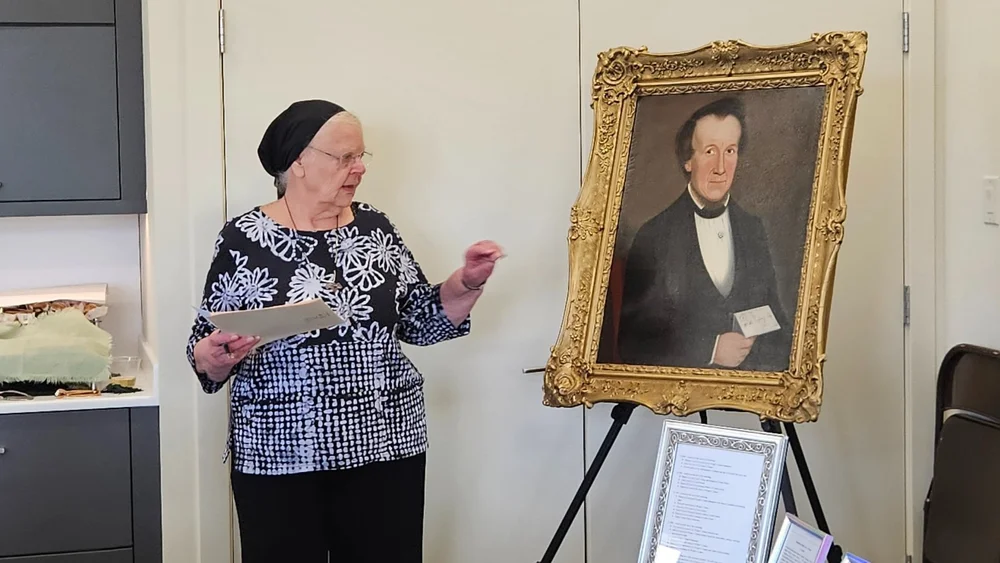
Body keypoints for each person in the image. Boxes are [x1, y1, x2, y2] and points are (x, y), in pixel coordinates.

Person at [185, 99, 503, 562]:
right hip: (279, 448)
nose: (359, 168)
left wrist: (466, 283)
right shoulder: (243, 237)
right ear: (298, 161)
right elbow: (204, 347)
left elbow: (420, 321)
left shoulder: (376, 228)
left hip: (386, 443)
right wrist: (214, 357)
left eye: (361, 156)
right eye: (344, 157)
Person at [616, 96, 792, 372]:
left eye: (730, 151)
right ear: (688, 160)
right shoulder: (653, 236)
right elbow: (632, 344)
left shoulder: (753, 230)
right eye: (710, 151)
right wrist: (709, 349)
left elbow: (778, 327)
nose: (721, 167)